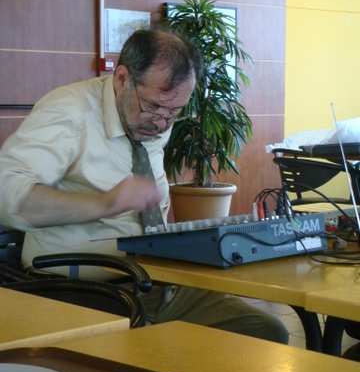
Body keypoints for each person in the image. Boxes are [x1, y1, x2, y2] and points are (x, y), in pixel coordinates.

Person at [0, 28, 288, 344]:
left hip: (154, 280)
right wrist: (104, 203)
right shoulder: (69, 113)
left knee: (264, 332)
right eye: (153, 106)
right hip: (79, 288)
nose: (162, 124)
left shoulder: (152, 117)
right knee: (162, 350)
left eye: (174, 112)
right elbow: (7, 195)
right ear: (122, 78)